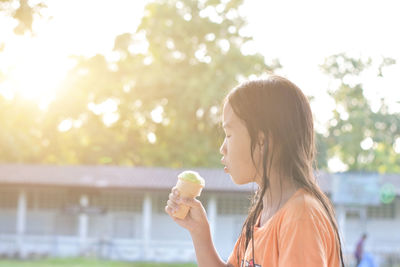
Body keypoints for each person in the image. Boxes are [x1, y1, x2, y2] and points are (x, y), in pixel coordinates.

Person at [165, 75, 345, 267]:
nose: (222, 148)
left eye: (229, 134)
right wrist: (199, 232)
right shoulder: (263, 215)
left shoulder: (300, 217)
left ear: (262, 141)